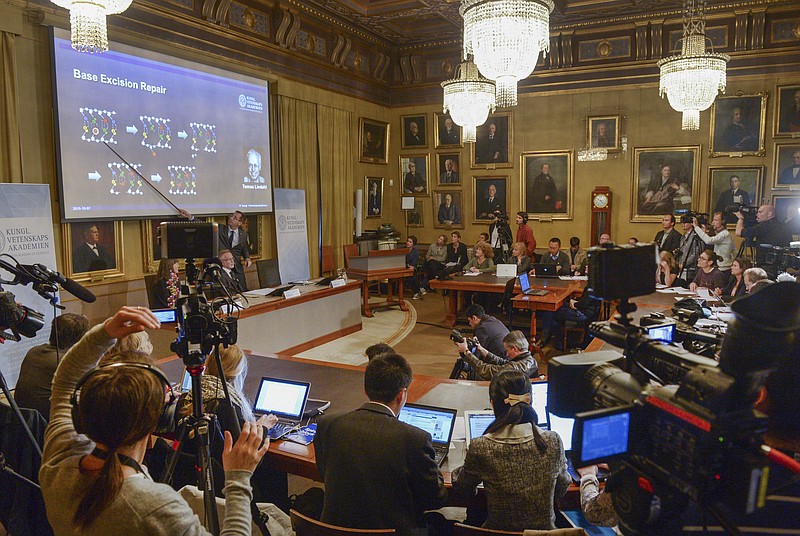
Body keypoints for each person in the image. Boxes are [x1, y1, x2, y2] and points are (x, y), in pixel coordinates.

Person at [39, 306, 267, 535]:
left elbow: (65, 381)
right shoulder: (155, 506)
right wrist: (238, 478)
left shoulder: (59, 461)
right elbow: (65, 381)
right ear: (154, 420)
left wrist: (104, 333)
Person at [313, 353, 448, 533]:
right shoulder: (415, 439)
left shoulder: (327, 424)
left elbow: (324, 474)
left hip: (335, 530)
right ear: (402, 395)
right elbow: (435, 499)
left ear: (365, 389)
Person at [451, 370, 570, 531]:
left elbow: (464, 489)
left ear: (493, 403)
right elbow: (561, 487)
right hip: (543, 533)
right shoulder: (552, 441)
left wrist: (463, 469)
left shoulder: (482, 446)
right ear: (530, 401)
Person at [14, 313, 89, 420]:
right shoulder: (67, 363)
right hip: (47, 425)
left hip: (24, 422)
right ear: (80, 338)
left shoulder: (34, 351)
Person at [452, 330, 538, 381]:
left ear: (515, 348)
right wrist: (481, 349)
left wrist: (467, 352)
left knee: (471, 372)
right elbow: (502, 363)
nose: (507, 354)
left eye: (507, 350)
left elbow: (487, 371)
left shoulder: (518, 367)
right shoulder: (528, 360)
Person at [219, 210, 251, 291]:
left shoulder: (243, 235)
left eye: (235, 218)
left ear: (240, 223)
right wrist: (191, 217)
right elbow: (207, 225)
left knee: (243, 290)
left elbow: (244, 249)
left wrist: (247, 258)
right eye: (231, 216)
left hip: (236, 267)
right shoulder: (221, 229)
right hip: (223, 267)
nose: (231, 218)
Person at [676, 218, 704, 283]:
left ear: (691, 223)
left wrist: (684, 263)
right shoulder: (683, 236)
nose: (683, 224)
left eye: (685, 223)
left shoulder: (696, 236)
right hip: (682, 267)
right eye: (681, 223)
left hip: (691, 268)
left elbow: (696, 254)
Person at [404, 236, 424, 300]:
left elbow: (415, 261)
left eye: (410, 242)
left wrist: (411, 266)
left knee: (412, 275)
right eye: (407, 241)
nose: (408, 243)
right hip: (403, 267)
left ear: (413, 244)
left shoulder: (415, 251)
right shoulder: (402, 249)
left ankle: (417, 291)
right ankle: (418, 290)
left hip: (412, 268)